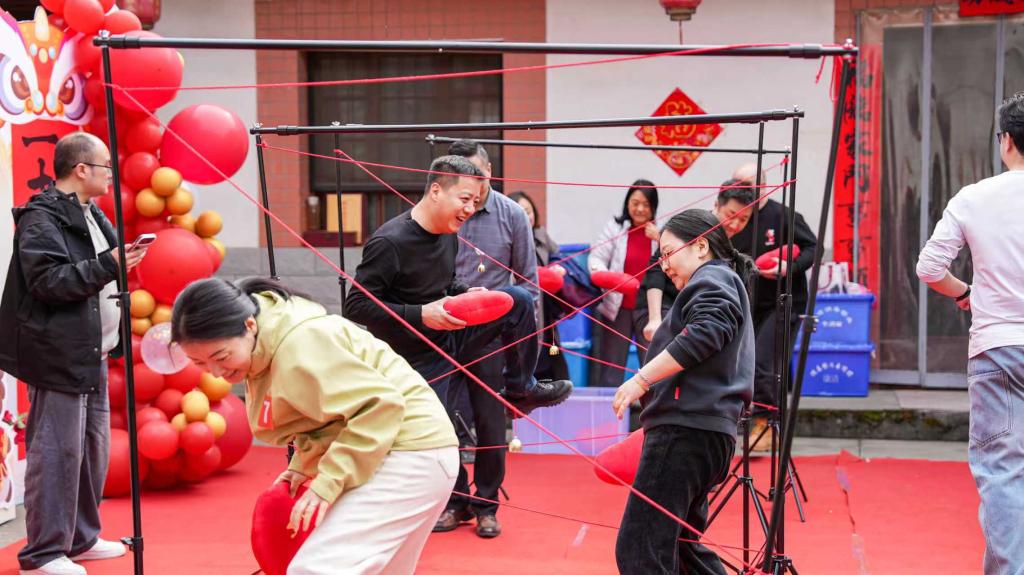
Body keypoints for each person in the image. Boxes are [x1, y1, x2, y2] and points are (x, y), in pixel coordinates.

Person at [171, 277, 459, 575]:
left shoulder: (300, 342)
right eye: (199, 363)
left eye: (221, 356)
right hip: (413, 453)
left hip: (408, 452)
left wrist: (327, 483)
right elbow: (328, 416)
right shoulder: (273, 342)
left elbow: (378, 406)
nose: (215, 372)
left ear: (249, 325)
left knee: (315, 569)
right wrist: (303, 464)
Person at [0, 132, 147, 575]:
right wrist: (110, 264)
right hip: (58, 354)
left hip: (92, 351)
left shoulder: (91, 212)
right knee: (57, 453)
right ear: (81, 169)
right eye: (105, 166)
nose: (110, 174)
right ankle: (43, 553)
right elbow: (49, 282)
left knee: (90, 452)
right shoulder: (41, 218)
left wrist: (123, 260)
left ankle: (80, 538)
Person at [343, 155, 572, 427]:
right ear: (436, 191)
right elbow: (355, 306)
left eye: (475, 201)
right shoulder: (389, 241)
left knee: (519, 300)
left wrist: (465, 291)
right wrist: (421, 313)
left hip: (451, 334)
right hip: (413, 357)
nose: (471, 209)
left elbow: (446, 281)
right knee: (435, 435)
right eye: (465, 199)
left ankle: (521, 391)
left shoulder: (448, 231)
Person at [611, 209, 755, 575]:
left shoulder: (712, 278)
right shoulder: (719, 280)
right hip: (704, 431)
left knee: (641, 550)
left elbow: (706, 332)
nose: (664, 265)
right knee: (681, 550)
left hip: (686, 430)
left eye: (668, 253)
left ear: (701, 246)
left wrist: (641, 379)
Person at [916, 92, 1024, 575]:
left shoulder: (974, 197)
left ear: (1006, 141)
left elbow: (929, 268)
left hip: (997, 346)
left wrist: (966, 292)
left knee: (1003, 470)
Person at [433, 141, 539, 538]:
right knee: (441, 420)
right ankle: (456, 499)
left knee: (491, 423)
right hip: (443, 329)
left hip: (493, 334)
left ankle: (487, 503)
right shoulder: (443, 212)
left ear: (490, 172)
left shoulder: (512, 215)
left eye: (476, 175)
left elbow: (528, 283)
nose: (470, 187)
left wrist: (524, 345)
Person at [720, 177, 816, 452]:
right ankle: (755, 422)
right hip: (749, 303)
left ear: (762, 184)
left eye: (751, 184)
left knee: (764, 362)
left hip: (783, 301)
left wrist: (789, 266)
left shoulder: (783, 214)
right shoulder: (734, 222)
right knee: (747, 364)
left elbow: (812, 247)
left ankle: (766, 424)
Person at [588, 179, 660, 387]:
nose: (640, 209)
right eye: (635, 203)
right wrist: (610, 278)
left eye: (646, 204)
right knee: (612, 365)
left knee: (652, 364)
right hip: (617, 307)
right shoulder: (616, 228)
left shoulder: (662, 230)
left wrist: (660, 238)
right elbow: (596, 258)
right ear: (627, 203)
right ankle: (610, 407)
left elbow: (674, 261)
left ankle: (652, 406)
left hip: (649, 309)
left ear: (654, 207)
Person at [508, 190, 569, 381]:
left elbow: (557, 255)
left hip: (546, 305)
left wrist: (557, 268)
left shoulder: (541, 234)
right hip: (523, 302)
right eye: (521, 212)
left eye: (529, 211)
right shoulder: (509, 238)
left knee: (552, 355)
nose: (527, 216)